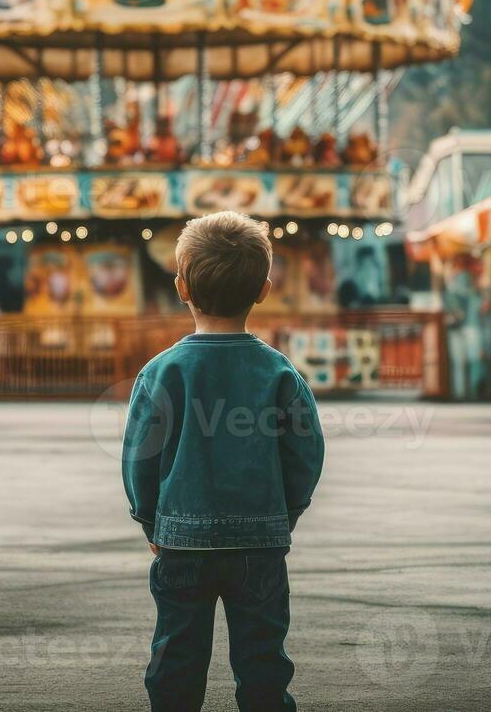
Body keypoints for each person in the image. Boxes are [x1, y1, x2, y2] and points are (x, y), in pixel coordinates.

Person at [122, 211, 325, 712]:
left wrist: (150, 519)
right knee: (262, 661)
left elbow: (139, 457)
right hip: (260, 541)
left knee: (175, 658)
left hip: (181, 540)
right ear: (264, 289)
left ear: (181, 287)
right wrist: (287, 512)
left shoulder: (161, 372)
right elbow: (306, 452)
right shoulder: (279, 372)